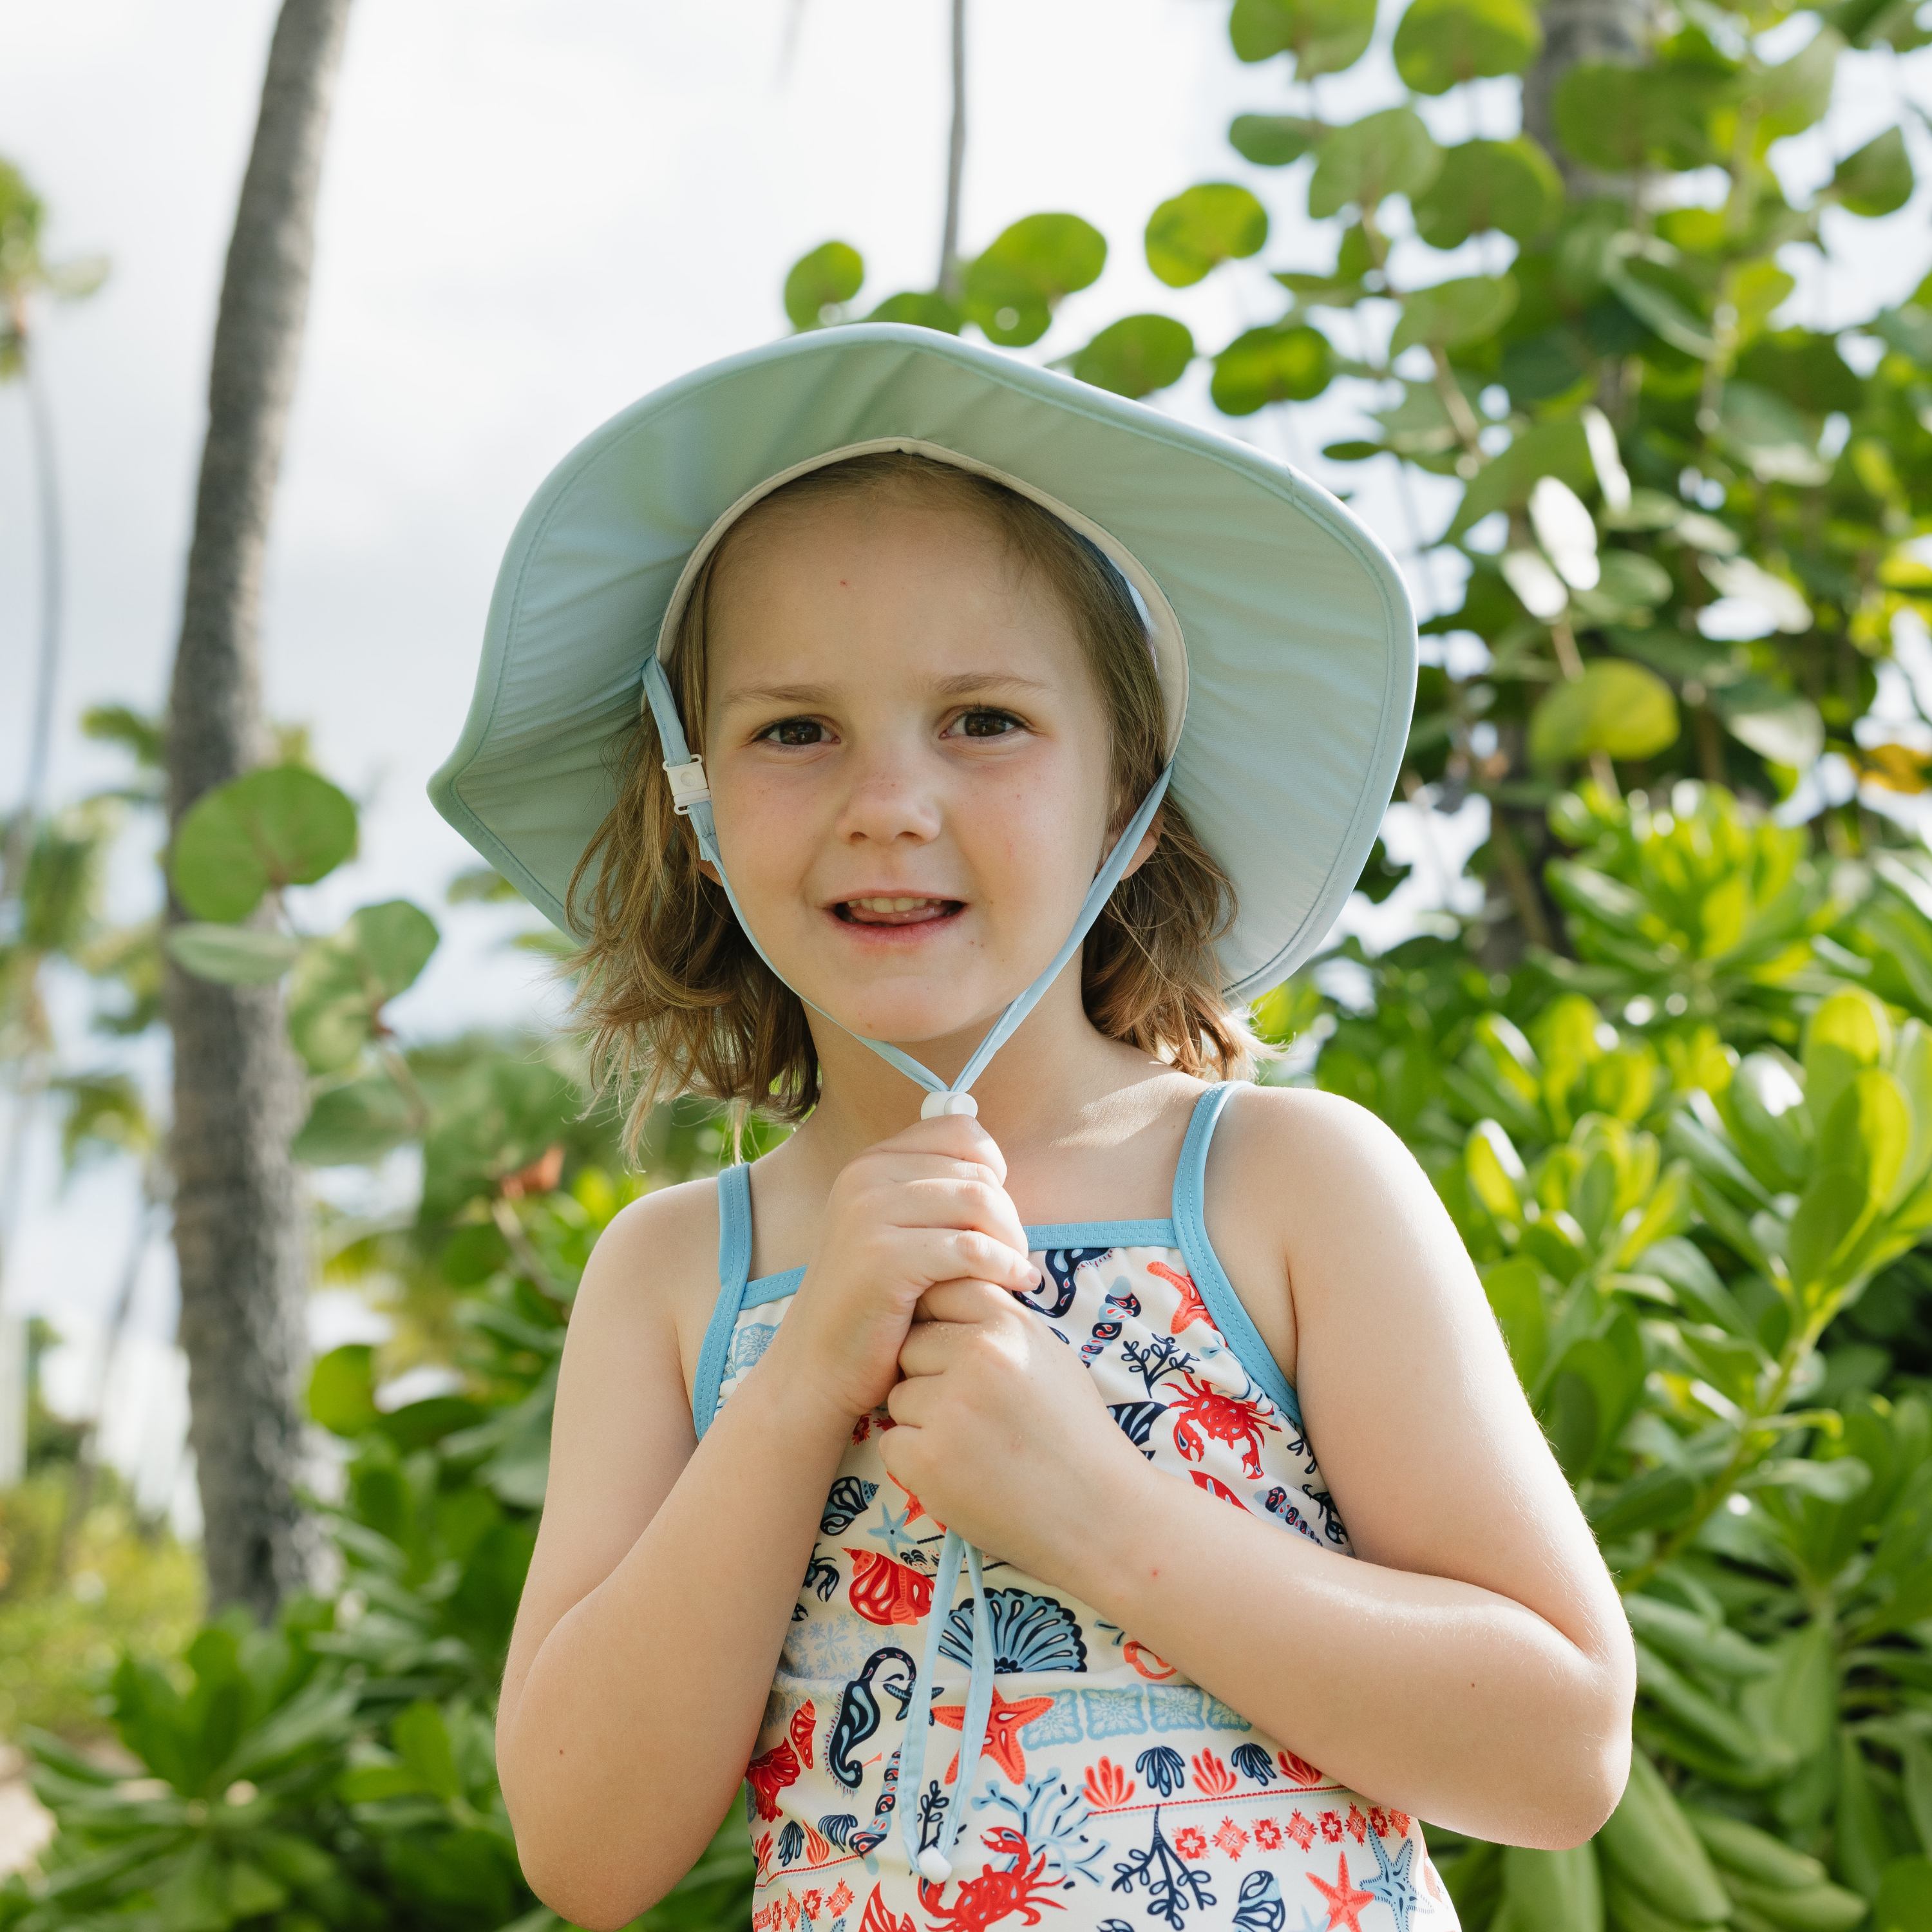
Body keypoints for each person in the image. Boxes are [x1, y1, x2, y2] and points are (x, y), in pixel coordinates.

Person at [432, 324, 1635, 1932]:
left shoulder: (1283, 1187)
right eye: (795, 730)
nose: (891, 802)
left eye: (985, 721)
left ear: (1132, 802)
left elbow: (1560, 1746)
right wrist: (800, 1389)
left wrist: (1107, 1518)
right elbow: (585, 1849)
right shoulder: (675, 1280)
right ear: (694, 804)